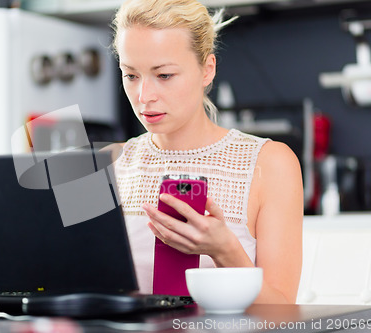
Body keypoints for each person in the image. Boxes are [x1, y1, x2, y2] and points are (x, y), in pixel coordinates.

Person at [109, 0, 303, 304]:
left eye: (164, 75)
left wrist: (225, 250)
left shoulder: (272, 164)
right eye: (131, 75)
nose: (144, 96)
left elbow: (281, 313)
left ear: (207, 70)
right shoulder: (107, 163)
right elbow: (60, 275)